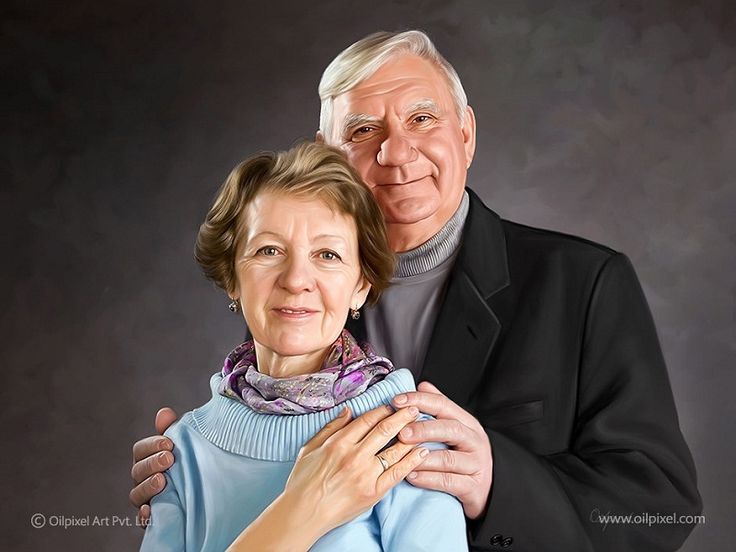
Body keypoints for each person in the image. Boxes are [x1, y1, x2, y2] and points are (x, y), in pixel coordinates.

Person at [132, 31, 701, 551]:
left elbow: (662, 511)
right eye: (362, 130)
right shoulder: (300, 295)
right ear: (327, 156)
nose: (396, 153)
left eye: (423, 118)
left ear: (467, 133)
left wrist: (498, 484)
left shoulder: (584, 283)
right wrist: (191, 476)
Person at [138, 141, 468, 551]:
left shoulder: (403, 437)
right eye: (269, 250)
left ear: (360, 286)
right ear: (231, 277)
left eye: (327, 254)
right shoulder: (183, 447)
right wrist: (302, 509)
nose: (296, 279)